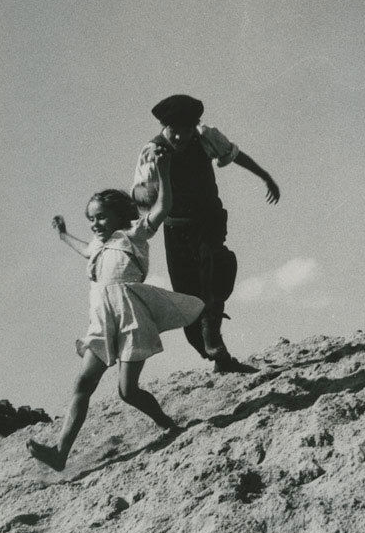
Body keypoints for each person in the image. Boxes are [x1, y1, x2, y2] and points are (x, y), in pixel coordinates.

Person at [27, 151, 203, 471]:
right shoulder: (97, 246)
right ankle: (60, 453)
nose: (95, 224)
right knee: (83, 384)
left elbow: (162, 207)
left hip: (130, 318)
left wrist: (163, 171)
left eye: (102, 217)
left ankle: (166, 423)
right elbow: (83, 248)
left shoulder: (133, 236)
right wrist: (63, 232)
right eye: (91, 219)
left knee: (127, 391)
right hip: (101, 323)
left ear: (122, 216)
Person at [131, 93, 280, 373]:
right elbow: (139, 195)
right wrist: (153, 184)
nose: (180, 138)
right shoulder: (151, 151)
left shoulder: (205, 136)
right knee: (188, 301)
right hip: (176, 228)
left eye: (186, 130)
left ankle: (213, 331)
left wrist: (265, 176)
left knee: (217, 267)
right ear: (166, 127)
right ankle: (219, 358)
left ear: (195, 125)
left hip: (208, 219)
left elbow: (233, 154)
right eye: (175, 131)